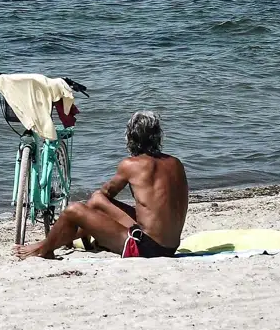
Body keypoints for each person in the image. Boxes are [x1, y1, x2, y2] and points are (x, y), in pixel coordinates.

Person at [16, 110, 188, 260]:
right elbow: (102, 199)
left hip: (146, 249)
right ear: (158, 136)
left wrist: (90, 219)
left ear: (131, 138)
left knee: (73, 210)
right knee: (96, 201)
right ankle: (72, 236)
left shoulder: (131, 165)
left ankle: (45, 249)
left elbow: (106, 192)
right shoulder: (176, 163)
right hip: (170, 246)